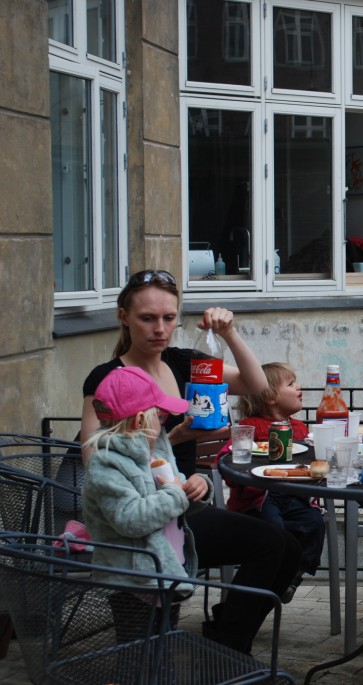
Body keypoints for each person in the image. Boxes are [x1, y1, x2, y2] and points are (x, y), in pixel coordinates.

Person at [81, 269, 304, 654]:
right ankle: (220, 643)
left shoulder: (185, 362)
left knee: (285, 545)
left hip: (185, 503)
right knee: (270, 542)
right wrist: (177, 438)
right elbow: (94, 458)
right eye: (147, 318)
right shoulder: (109, 378)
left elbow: (256, 385)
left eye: (169, 318)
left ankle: (228, 639)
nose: (160, 329)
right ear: (124, 317)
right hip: (143, 514)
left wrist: (229, 333)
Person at [83, 366, 206, 596]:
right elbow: (130, 519)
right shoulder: (106, 464)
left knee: (165, 630)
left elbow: (176, 487)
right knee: (141, 633)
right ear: (141, 420)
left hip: (165, 567)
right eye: (161, 417)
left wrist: (197, 486)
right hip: (132, 580)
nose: (163, 425)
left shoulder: (154, 454)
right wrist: (175, 495)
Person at [233, 362, 326, 601]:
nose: (299, 387)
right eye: (291, 383)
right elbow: (231, 458)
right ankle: (273, 574)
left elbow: (306, 462)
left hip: (295, 496)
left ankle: (295, 574)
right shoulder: (250, 427)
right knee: (273, 527)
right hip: (260, 499)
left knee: (315, 521)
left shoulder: (299, 428)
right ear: (271, 396)